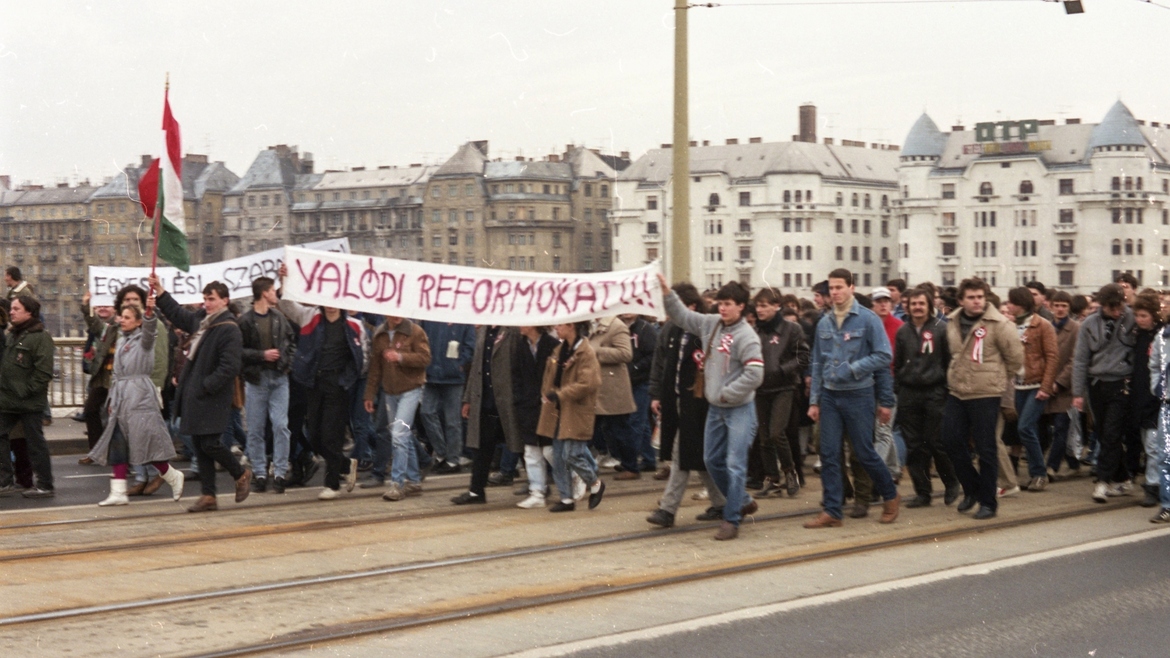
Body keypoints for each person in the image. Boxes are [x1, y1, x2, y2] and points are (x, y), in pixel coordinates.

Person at [659, 275, 764, 541]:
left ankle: (731, 519)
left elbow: (755, 374)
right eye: (720, 303)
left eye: (728, 304)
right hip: (716, 409)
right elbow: (683, 317)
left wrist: (727, 393)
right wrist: (667, 293)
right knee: (711, 460)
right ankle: (742, 499)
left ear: (741, 306)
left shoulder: (747, 336)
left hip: (738, 408)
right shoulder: (711, 325)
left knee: (735, 464)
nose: (722, 308)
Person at [803, 270, 900, 529]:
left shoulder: (867, 319)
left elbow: (883, 356)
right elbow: (817, 363)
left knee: (864, 452)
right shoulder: (824, 322)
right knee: (830, 454)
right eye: (831, 288)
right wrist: (815, 401)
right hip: (831, 396)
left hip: (859, 395)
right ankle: (833, 510)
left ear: (851, 288)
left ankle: (890, 496)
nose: (834, 292)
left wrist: (855, 368)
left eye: (839, 287)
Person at [147, 275, 250, 512]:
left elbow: (230, 366)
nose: (207, 304)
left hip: (212, 396)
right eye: (205, 299)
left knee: (211, 443)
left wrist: (205, 386)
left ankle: (240, 473)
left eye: (212, 299)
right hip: (197, 394)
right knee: (199, 442)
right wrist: (161, 291)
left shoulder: (229, 328)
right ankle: (208, 495)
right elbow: (178, 315)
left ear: (225, 300)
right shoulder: (204, 321)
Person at [85, 293, 184, 505]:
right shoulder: (121, 340)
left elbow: (150, 330)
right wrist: (112, 399)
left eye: (128, 317)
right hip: (122, 397)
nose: (122, 320)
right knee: (118, 442)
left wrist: (148, 311)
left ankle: (173, 476)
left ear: (138, 322)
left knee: (145, 446)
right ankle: (118, 492)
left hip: (140, 397)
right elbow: (116, 375)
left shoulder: (145, 340)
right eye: (122, 317)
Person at [940, 278, 1024, 520]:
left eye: (980, 297)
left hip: (985, 393)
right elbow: (954, 353)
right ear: (961, 300)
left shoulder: (1000, 324)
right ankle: (972, 489)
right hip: (958, 391)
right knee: (950, 439)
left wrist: (996, 379)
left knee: (986, 449)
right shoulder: (953, 321)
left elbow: (1015, 359)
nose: (977, 301)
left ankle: (988, 502)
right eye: (971, 297)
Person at [646, 283, 728, 527]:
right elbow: (661, 364)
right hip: (676, 400)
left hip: (700, 404)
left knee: (682, 455)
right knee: (699, 455)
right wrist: (657, 394)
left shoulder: (707, 331)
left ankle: (668, 509)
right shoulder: (670, 330)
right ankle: (722, 503)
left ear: (691, 307)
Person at [893, 287, 959, 508]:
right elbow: (899, 362)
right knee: (913, 445)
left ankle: (951, 484)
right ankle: (922, 492)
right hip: (909, 394)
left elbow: (950, 361)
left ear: (929, 305)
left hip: (935, 392)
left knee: (935, 441)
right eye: (913, 304)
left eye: (921, 303)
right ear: (908, 307)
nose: (917, 307)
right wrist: (899, 388)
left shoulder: (942, 328)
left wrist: (946, 390)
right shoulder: (903, 332)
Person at [1073, 283, 1137, 503]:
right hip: (1097, 384)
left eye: (1120, 307)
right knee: (1102, 432)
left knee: (1111, 433)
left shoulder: (1132, 318)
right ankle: (1123, 477)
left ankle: (1103, 481)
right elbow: (1081, 359)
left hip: (1122, 382)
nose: (1117, 312)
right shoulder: (1089, 324)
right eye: (1112, 308)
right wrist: (1077, 392)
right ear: (1102, 305)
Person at [538, 321, 606, 513]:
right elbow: (550, 376)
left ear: (572, 326)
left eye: (561, 324)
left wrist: (560, 394)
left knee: (572, 454)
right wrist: (547, 393)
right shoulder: (560, 350)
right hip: (558, 409)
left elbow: (588, 383)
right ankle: (566, 498)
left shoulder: (586, 352)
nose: (556, 327)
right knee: (558, 456)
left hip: (576, 409)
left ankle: (595, 483)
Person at [238, 277, 296, 494]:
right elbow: (239, 351)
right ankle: (260, 473)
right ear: (264, 293)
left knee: (281, 425)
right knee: (255, 429)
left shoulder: (279, 317)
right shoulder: (245, 321)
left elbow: (291, 342)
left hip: (279, 378)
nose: (275, 294)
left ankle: (280, 472)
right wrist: (262, 355)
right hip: (257, 380)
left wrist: (286, 364)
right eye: (273, 290)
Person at [364, 315, 430, 502]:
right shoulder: (380, 334)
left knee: (399, 434)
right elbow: (376, 367)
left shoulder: (415, 331)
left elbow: (425, 358)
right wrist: (370, 394)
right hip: (390, 391)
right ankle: (414, 480)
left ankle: (397, 483)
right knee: (403, 435)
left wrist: (400, 357)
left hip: (411, 389)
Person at [451, 325, 519, 505]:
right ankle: (476, 491)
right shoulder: (483, 331)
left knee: (521, 445)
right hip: (485, 400)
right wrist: (468, 399)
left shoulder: (512, 330)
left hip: (506, 401)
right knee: (481, 447)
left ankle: (542, 484)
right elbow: (476, 367)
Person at [751, 287, 808, 497]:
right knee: (764, 437)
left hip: (784, 387)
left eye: (764, 305)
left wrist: (783, 369)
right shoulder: (755, 331)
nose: (760, 309)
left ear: (777, 306)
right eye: (758, 305)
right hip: (761, 389)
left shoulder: (792, 329)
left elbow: (803, 356)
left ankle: (789, 471)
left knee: (777, 432)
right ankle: (772, 479)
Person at [1004, 287, 1058, 492]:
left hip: (1036, 385)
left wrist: (1046, 386)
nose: (1008, 306)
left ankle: (1039, 473)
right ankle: (1036, 471)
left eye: (1011, 303)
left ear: (1020, 305)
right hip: (1018, 384)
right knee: (1028, 428)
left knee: (1024, 427)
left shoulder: (1042, 325)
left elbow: (1052, 356)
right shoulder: (1010, 326)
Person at [0, 296, 54, 498]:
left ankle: (46, 485)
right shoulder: (14, 335)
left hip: (28, 402)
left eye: (16, 308)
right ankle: (5, 481)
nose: (11, 312)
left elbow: (43, 372)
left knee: (35, 442)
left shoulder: (40, 337)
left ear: (29, 312)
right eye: (11, 308)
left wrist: (26, 391)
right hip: (9, 400)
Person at [512, 326, 560, 508]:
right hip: (527, 406)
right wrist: (519, 399)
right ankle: (537, 491)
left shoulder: (552, 345)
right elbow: (516, 375)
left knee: (550, 451)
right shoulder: (521, 345)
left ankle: (572, 479)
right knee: (531, 451)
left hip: (548, 405)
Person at [419, 320, 475, 474]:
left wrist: (460, 364)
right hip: (431, 375)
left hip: (453, 377)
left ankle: (453, 460)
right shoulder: (429, 316)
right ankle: (442, 452)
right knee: (426, 412)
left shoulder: (463, 319)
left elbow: (470, 345)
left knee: (452, 421)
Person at [589, 316, 639, 479]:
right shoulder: (592, 325)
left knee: (620, 428)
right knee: (609, 429)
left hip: (613, 388)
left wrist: (596, 351)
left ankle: (631, 467)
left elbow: (626, 353)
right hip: (600, 387)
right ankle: (627, 463)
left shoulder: (616, 326)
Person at [1043, 290, 1083, 480]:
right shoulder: (1046, 327)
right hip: (1045, 385)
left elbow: (1075, 359)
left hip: (1066, 388)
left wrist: (1059, 381)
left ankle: (1052, 466)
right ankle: (1074, 463)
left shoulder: (1076, 328)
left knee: (1061, 426)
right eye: (1057, 305)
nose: (1060, 309)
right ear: (1050, 307)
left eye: (1064, 306)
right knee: (1051, 429)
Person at [1129, 290, 1163, 507]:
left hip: (1156, 399)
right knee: (1144, 443)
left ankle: (1153, 486)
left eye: (1144, 316)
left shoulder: (1161, 336)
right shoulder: (1136, 336)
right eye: (1137, 316)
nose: (1140, 320)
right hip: (1139, 396)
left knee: (1152, 446)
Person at [79, 291, 119, 457]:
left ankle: (117, 455)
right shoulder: (106, 328)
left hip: (116, 379)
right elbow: (93, 323)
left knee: (114, 417)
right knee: (91, 410)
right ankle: (97, 451)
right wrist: (85, 305)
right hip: (102, 377)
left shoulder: (124, 327)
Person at [870, 287, 904, 481]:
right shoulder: (868, 325)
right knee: (882, 430)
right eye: (878, 301)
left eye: (886, 300)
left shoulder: (899, 327)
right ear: (873, 304)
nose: (883, 304)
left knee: (883, 429)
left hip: (891, 384)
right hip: (870, 384)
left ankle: (876, 475)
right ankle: (893, 468)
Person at [622, 313, 658, 474]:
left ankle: (630, 463)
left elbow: (653, 355)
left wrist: (636, 367)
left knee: (636, 421)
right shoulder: (622, 327)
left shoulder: (645, 329)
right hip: (628, 382)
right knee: (641, 423)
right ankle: (649, 459)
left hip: (642, 381)